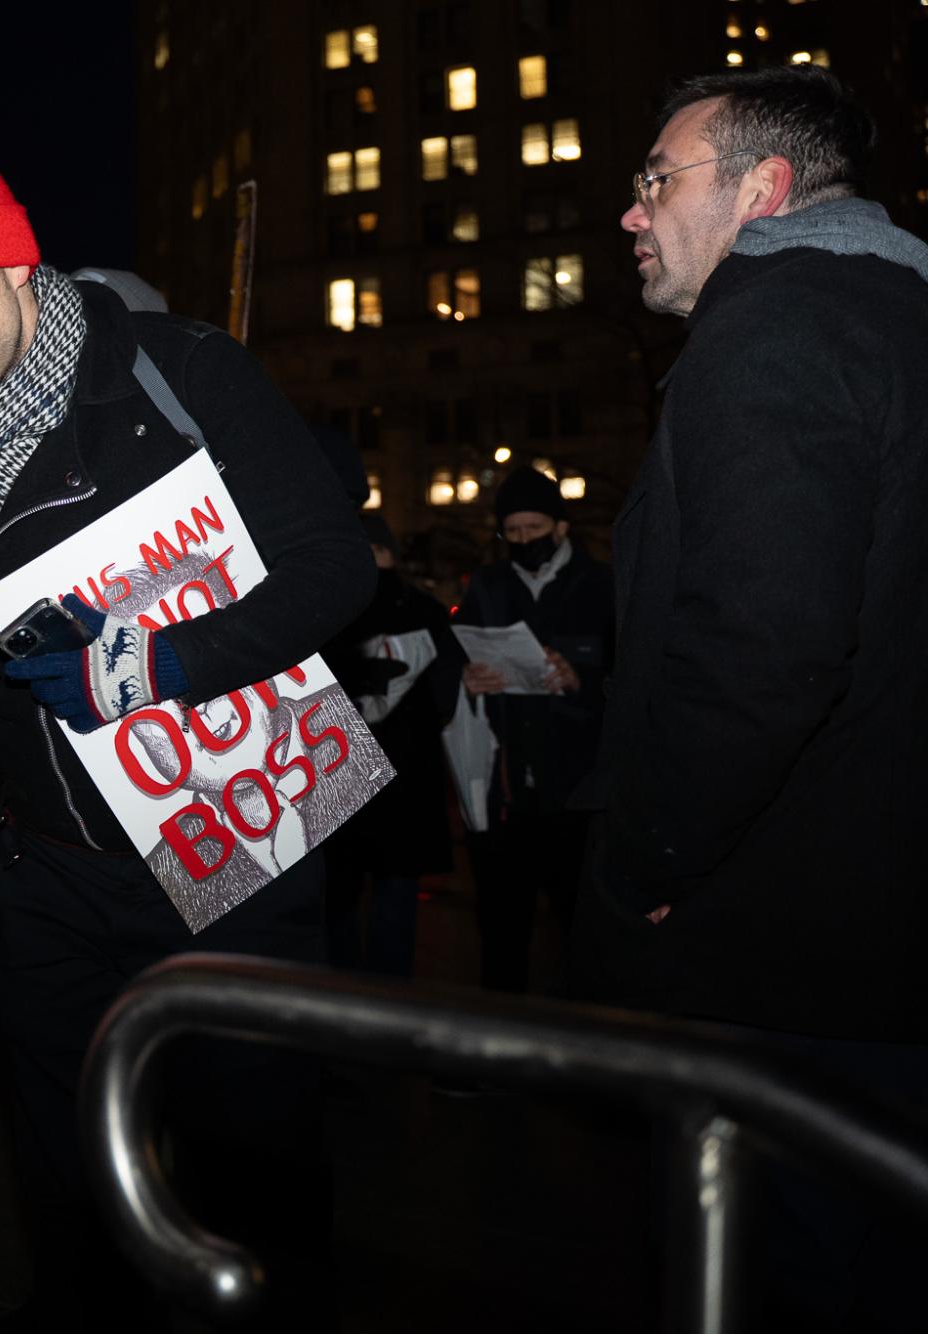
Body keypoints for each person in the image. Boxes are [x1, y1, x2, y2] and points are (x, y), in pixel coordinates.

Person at [0, 136, 372, 1331]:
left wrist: (159, 662)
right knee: (70, 1186)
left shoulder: (180, 368)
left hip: (236, 843)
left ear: (16, 262)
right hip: (47, 877)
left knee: (255, 1181)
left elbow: (334, 567)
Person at [575, 66, 928, 1332]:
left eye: (657, 181)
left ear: (762, 192)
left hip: (794, 942)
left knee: (786, 1268)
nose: (632, 214)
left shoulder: (774, 321)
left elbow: (766, 642)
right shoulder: (893, 317)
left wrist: (655, 850)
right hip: (887, 934)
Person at [451, 466, 611, 993]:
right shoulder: (489, 587)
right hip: (508, 786)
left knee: (580, 929)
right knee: (501, 929)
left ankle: (583, 1040)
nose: (523, 541)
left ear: (560, 527)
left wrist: (581, 679)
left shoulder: (601, 585)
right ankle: (499, 1046)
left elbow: (629, 678)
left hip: (578, 789)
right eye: (512, 531)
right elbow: (462, 660)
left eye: (534, 528)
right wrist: (471, 679)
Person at [323, 514, 461, 976]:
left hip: (339, 778)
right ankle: (389, 1001)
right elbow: (446, 697)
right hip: (406, 779)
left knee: (338, 899)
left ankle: (339, 1000)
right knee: (394, 902)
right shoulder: (427, 610)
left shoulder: (332, 608)